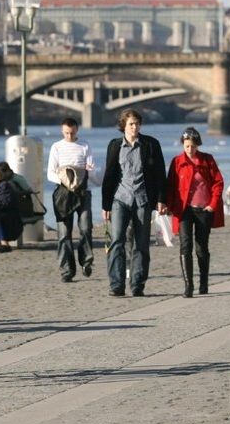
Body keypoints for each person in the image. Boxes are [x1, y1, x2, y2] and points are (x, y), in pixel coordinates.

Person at [101, 108, 167, 297]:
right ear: (124, 125)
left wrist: (161, 200)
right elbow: (109, 176)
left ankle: (137, 284)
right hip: (119, 199)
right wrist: (106, 206)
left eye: (137, 123)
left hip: (143, 199)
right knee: (117, 241)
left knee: (141, 244)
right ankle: (116, 284)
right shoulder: (114, 146)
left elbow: (160, 174)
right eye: (131, 124)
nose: (135, 127)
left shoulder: (151, 144)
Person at [166, 128, 224, 297]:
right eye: (186, 146)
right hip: (183, 209)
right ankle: (188, 285)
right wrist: (168, 205)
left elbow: (218, 183)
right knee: (185, 246)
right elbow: (171, 186)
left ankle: (203, 283)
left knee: (201, 247)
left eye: (192, 146)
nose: (189, 150)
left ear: (197, 145)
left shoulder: (207, 160)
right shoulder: (177, 162)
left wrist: (212, 205)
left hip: (203, 209)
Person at [47, 117, 98, 283]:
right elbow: (50, 173)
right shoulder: (57, 147)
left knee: (85, 228)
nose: (69, 136)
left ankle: (86, 261)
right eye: (67, 133)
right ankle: (66, 270)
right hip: (63, 193)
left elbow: (91, 167)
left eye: (72, 132)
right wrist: (66, 179)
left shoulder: (85, 145)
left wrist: (82, 176)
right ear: (62, 131)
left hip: (83, 192)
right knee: (63, 233)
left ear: (77, 130)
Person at [0, 162, 23, 253]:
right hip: (9, 215)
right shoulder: (0, 186)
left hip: (10, 217)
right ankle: (2, 242)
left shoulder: (4, 186)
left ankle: (3, 242)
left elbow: (5, 203)